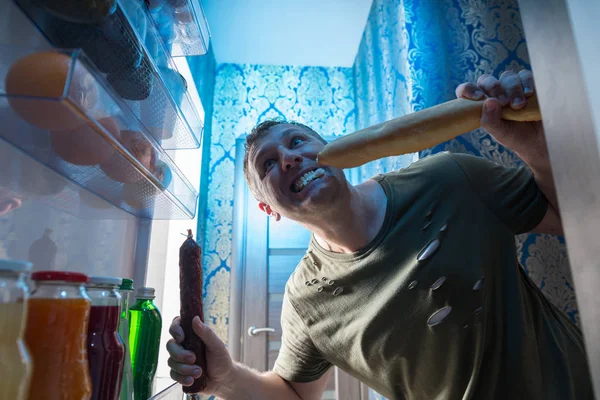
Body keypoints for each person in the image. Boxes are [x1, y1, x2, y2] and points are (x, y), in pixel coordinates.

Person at [166, 70, 594, 399]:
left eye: (298, 142)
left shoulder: (448, 178)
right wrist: (224, 379)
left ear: (334, 148)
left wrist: (536, 146)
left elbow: (571, 216)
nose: (291, 158)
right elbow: (294, 394)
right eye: (269, 164)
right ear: (268, 209)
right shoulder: (305, 300)